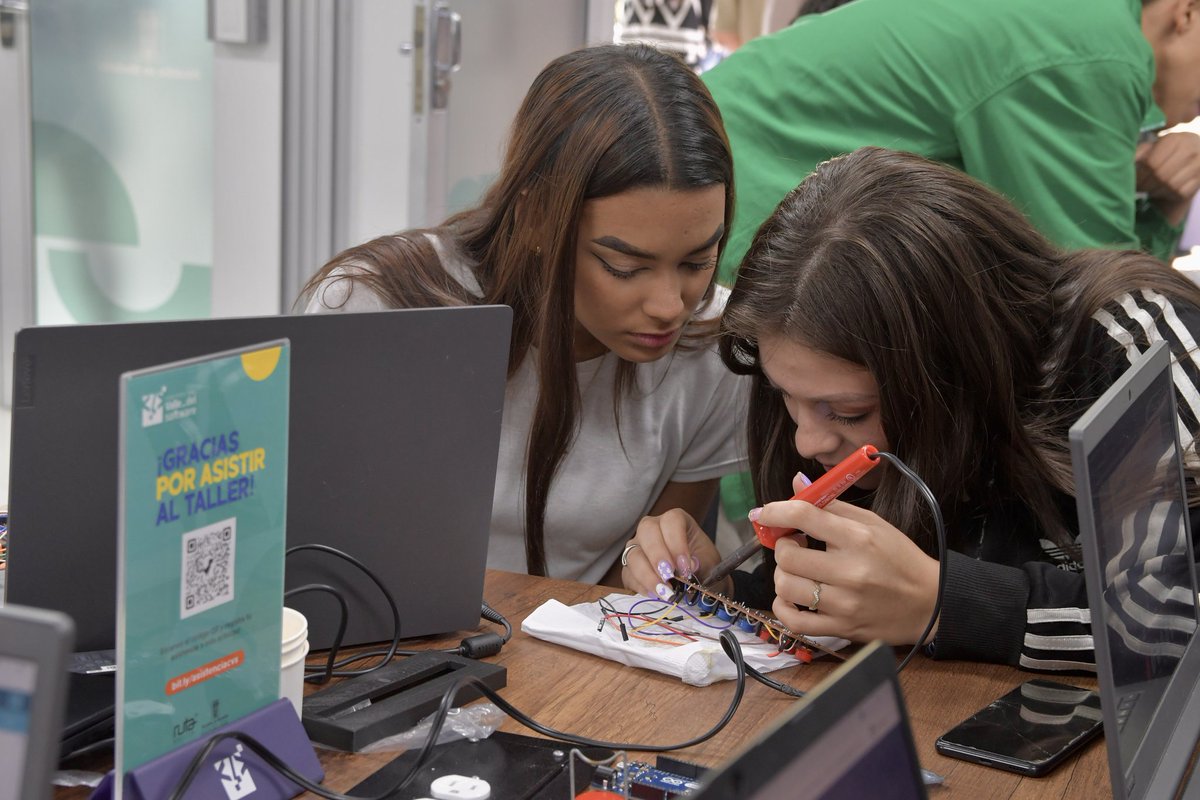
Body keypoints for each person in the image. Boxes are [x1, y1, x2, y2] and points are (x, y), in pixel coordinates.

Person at [622, 146, 1200, 670]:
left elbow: (1172, 612)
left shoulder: (1141, 346)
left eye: (847, 412)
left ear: (955, 366)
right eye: (785, 397)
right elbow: (837, 621)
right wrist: (723, 592)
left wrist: (944, 603)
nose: (807, 443)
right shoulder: (819, 393)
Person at [302, 44, 749, 585]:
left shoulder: (713, 345)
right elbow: (309, 558)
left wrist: (677, 569)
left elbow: (633, 586)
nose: (669, 306)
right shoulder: (380, 307)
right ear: (538, 214)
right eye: (624, 266)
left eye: (698, 261)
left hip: (579, 654)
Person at [702, 0, 1200, 284]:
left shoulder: (1080, 19)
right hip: (749, 212)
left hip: (730, 166)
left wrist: (1165, 205)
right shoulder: (1095, 51)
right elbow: (1098, 302)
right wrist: (1163, 215)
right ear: (1187, 13)